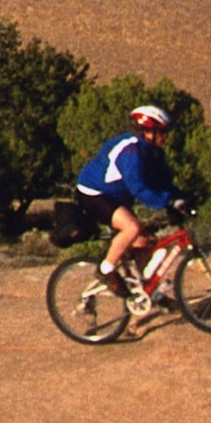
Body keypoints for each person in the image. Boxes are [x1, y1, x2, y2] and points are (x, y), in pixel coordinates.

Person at [72, 104, 184, 307]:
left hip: (116, 196)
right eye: (162, 132)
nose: (165, 137)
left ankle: (149, 292)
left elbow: (163, 181)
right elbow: (139, 189)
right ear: (148, 132)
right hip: (94, 193)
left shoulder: (154, 152)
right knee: (131, 227)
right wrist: (167, 201)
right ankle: (106, 270)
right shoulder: (131, 153)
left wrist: (179, 197)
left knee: (143, 242)